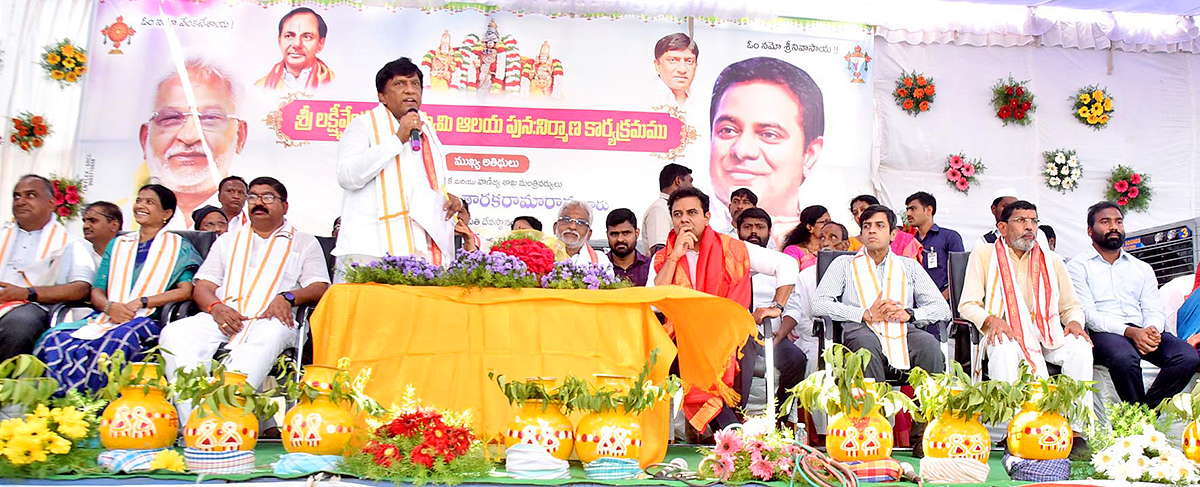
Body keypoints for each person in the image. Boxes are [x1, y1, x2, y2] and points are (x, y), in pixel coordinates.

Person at [160, 177, 330, 421]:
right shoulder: (228, 240)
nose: (259, 203)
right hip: (224, 316)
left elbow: (319, 286)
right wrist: (215, 307)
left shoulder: (304, 242)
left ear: (285, 206)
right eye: (253, 197)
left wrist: (289, 296)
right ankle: (194, 421)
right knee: (174, 334)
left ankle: (224, 414)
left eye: (268, 197)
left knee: (268, 336)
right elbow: (204, 285)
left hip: (272, 319)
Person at [648, 187, 798, 432]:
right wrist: (675, 257)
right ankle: (729, 430)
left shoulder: (733, 249)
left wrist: (777, 306)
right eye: (677, 214)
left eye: (691, 212)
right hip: (682, 338)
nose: (684, 219)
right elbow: (656, 299)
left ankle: (725, 430)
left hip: (730, 335)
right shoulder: (664, 256)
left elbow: (787, 264)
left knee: (729, 352)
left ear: (707, 218)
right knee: (689, 352)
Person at [36, 184, 201, 393]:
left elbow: (185, 291)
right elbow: (97, 290)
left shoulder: (180, 247)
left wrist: (142, 301)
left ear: (166, 213)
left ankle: (94, 409)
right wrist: (109, 307)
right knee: (54, 339)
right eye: (139, 200)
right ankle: (56, 408)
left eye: (149, 202)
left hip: (147, 319)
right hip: (106, 317)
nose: (140, 206)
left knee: (116, 342)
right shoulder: (118, 244)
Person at [813, 204, 949, 453]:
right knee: (865, 346)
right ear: (861, 234)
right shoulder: (843, 264)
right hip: (860, 330)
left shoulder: (909, 266)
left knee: (929, 346)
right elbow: (819, 304)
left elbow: (942, 309)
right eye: (867, 227)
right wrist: (863, 314)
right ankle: (876, 432)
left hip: (902, 330)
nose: (872, 232)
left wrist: (910, 314)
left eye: (879, 226)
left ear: (893, 234)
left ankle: (923, 437)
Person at [334, 57, 464, 273]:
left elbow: (415, 184)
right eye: (399, 84)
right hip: (368, 250)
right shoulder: (362, 126)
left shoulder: (425, 131)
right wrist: (397, 139)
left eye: (415, 84)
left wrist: (447, 198)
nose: (410, 91)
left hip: (416, 252)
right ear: (382, 96)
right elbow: (347, 176)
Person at [1067, 202, 1197, 407]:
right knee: (1124, 358)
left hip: (1142, 328)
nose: (1114, 227)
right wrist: (1130, 332)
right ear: (1090, 231)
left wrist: (1151, 329)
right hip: (1103, 333)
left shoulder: (1142, 268)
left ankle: (1146, 413)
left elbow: (1153, 307)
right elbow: (1089, 314)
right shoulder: (1077, 267)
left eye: (1118, 221)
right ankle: (1137, 417)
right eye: (1105, 222)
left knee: (1187, 356)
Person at [959, 200, 1093, 384]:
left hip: (1046, 335)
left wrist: (1075, 322)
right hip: (1006, 333)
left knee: (1080, 346)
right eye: (1021, 220)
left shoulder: (1051, 260)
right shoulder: (984, 254)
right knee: (1002, 346)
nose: (1029, 227)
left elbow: (1071, 306)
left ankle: (1078, 412)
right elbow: (968, 305)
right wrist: (992, 320)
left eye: (1034, 221)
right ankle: (1010, 412)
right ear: (1003, 227)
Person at [709, 57, 824, 240]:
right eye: (728, 130)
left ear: (809, 154)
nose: (743, 150)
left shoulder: (817, 239)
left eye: (769, 134)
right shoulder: (699, 238)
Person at [141, 58, 247, 229]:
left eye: (210, 118)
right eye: (171, 118)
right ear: (144, 138)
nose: (189, 136)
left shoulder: (254, 225)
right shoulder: (120, 216)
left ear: (240, 136)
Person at [0, 175, 96, 360]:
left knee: (19, 324)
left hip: (32, 305)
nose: (21, 201)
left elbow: (81, 288)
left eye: (30, 195)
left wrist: (26, 293)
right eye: (17, 196)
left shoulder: (72, 243)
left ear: (52, 203)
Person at [735, 207, 807, 408]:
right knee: (738, 362)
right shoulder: (727, 261)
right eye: (747, 227)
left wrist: (780, 335)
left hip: (771, 336)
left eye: (760, 227)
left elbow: (793, 308)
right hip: (734, 338)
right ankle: (733, 421)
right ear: (737, 230)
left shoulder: (781, 264)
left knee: (797, 360)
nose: (753, 232)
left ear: (769, 231)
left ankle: (780, 417)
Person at [256, 7, 334, 91]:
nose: (296, 44)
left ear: (320, 44)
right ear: (279, 41)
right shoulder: (260, 88)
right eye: (289, 36)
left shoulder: (336, 86)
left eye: (307, 37)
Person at [905, 191, 964, 297]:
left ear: (929, 210)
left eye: (913, 209)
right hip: (916, 305)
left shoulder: (950, 237)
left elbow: (960, 274)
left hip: (945, 302)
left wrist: (943, 298)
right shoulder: (908, 241)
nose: (908, 214)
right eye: (907, 209)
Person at [847, 195, 923, 263]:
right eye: (855, 213)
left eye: (863, 209)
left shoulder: (904, 240)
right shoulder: (849, 246)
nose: (859, 215)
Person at [643, 163, 693, 254]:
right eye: (690, 181)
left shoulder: (668, 207)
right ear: (678, 181)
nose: (692, 187)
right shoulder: (660, 209)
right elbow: (659, 252)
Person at [554, 200, 611, 268]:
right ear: (555, 227)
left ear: (589, 234)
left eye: (580, 222)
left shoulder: (601, 261)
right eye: (566, 220)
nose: (572, 227)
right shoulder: (540, 254)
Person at [606, 209, 650, 286]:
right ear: (607, 235)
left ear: (637, 233)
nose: (620, 239)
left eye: (625, 233)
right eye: (614, 234)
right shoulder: (600, 267)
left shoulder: (650, 266)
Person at [653, 33, 698, 106]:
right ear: (657, 65)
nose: (682, 70)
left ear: (695, 66)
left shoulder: (706, 101)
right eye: (673, 60)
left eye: (689, 61)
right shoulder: (640, 97)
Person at [781, 205, 831, 271]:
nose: (829, 226)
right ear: (809, 227)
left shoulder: (831, 249)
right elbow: (791, 276)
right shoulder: (792, 251)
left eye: (830, 222)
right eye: (824, 222)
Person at [81, 202, 123, 266]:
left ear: (114, 225)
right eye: (84, 221)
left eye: (93, 220)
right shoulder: (78, 256)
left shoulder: (128, 256)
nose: (85, 226)